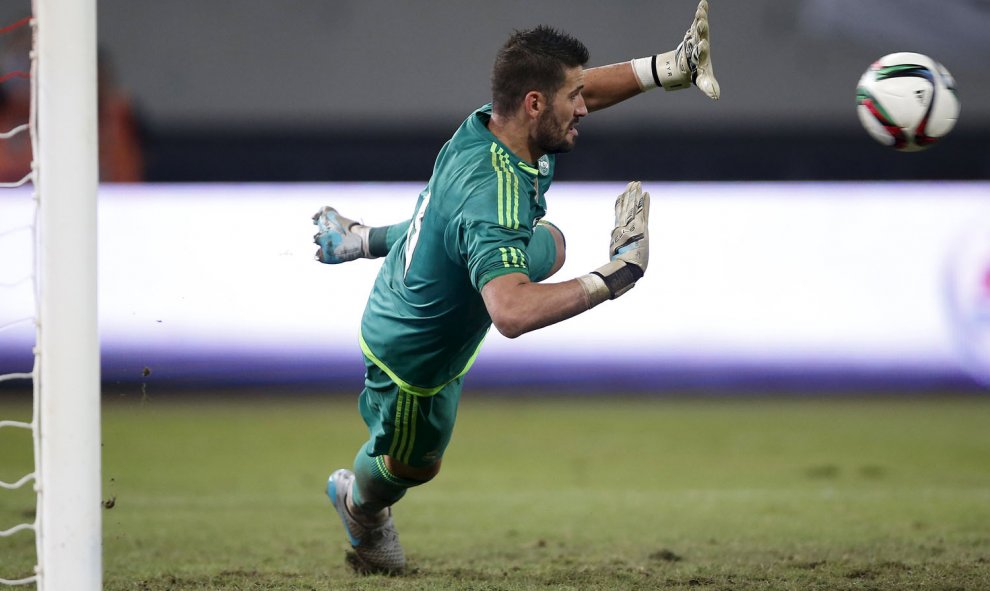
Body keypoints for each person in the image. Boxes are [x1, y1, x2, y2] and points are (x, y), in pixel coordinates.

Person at [312, 1, 718, 575]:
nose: (583, 107)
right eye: (571, 99)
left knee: (548, 240)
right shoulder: (493, 195)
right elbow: (510, 313)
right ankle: (359, 507)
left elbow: (438, 221)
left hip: (425, 284)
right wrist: (618, 274)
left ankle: (371, 245)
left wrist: (665, 68)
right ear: (534, 105)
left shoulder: (493, 125)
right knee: (413, 468)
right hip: (414, 357)